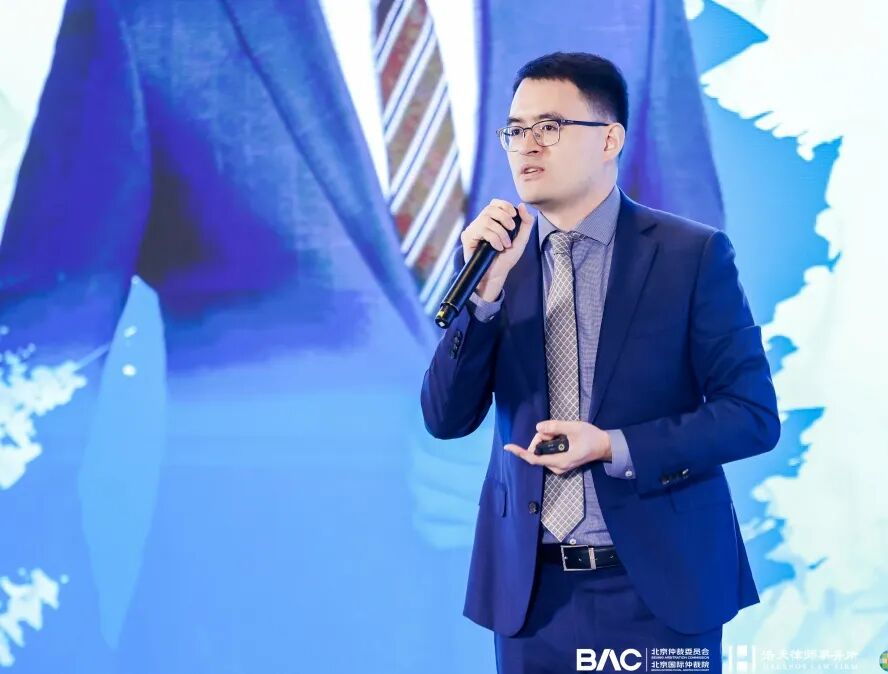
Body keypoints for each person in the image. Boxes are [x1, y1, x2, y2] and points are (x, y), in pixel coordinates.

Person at [0, 0, 722, 671]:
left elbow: (700, 346)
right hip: (249, 636)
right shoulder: (146, 15)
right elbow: (24, 389)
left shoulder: (629, 11)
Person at [421, 52, 780, 673]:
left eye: (549, 127)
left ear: (609, 139)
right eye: (516, 130)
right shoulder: (495, 263)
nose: (527, 146)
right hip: (532, 596)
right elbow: (445, 418)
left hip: (660, 589)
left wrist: (614, 446)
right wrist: (483, 300)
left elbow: (751, 416)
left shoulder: (689, 256)